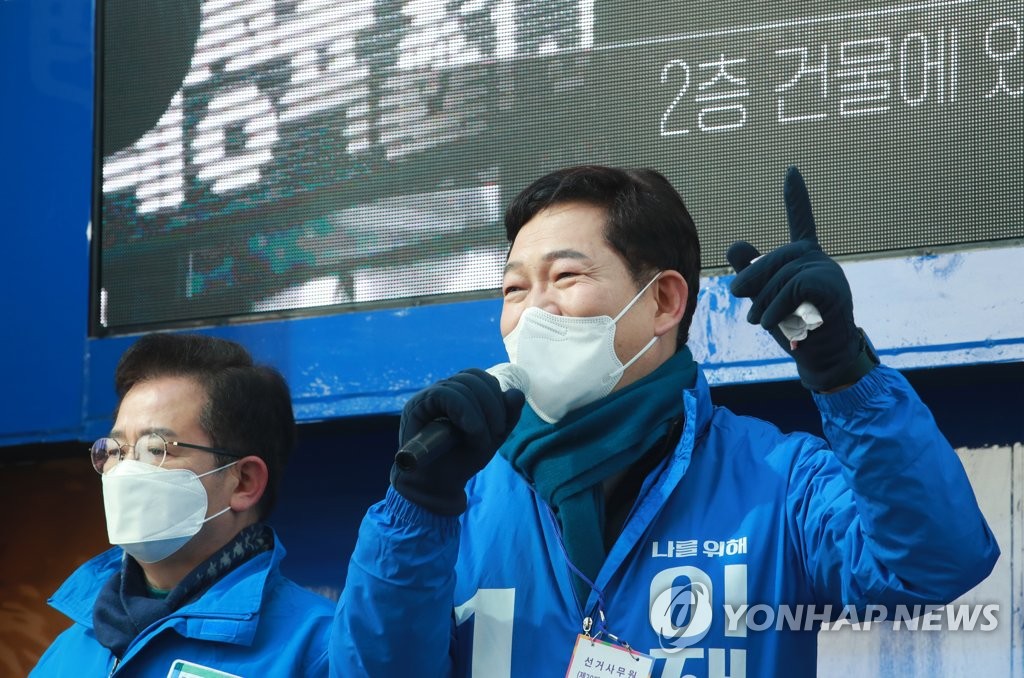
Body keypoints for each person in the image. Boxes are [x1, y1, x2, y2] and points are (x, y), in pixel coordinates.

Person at [332, 164, 1000, 678]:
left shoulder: (777, 480)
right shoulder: (458, 499)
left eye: (564, 277)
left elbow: (934, 566)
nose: (532, 313)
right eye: (513, 288)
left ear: (664, 302)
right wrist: (418, 509)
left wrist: (845, 373)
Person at [32, 333, 333, 676]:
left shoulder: (320, 650)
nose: (126, 470)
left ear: (245, 481)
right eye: (115, 451)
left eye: (156, 449)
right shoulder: (69, 651)